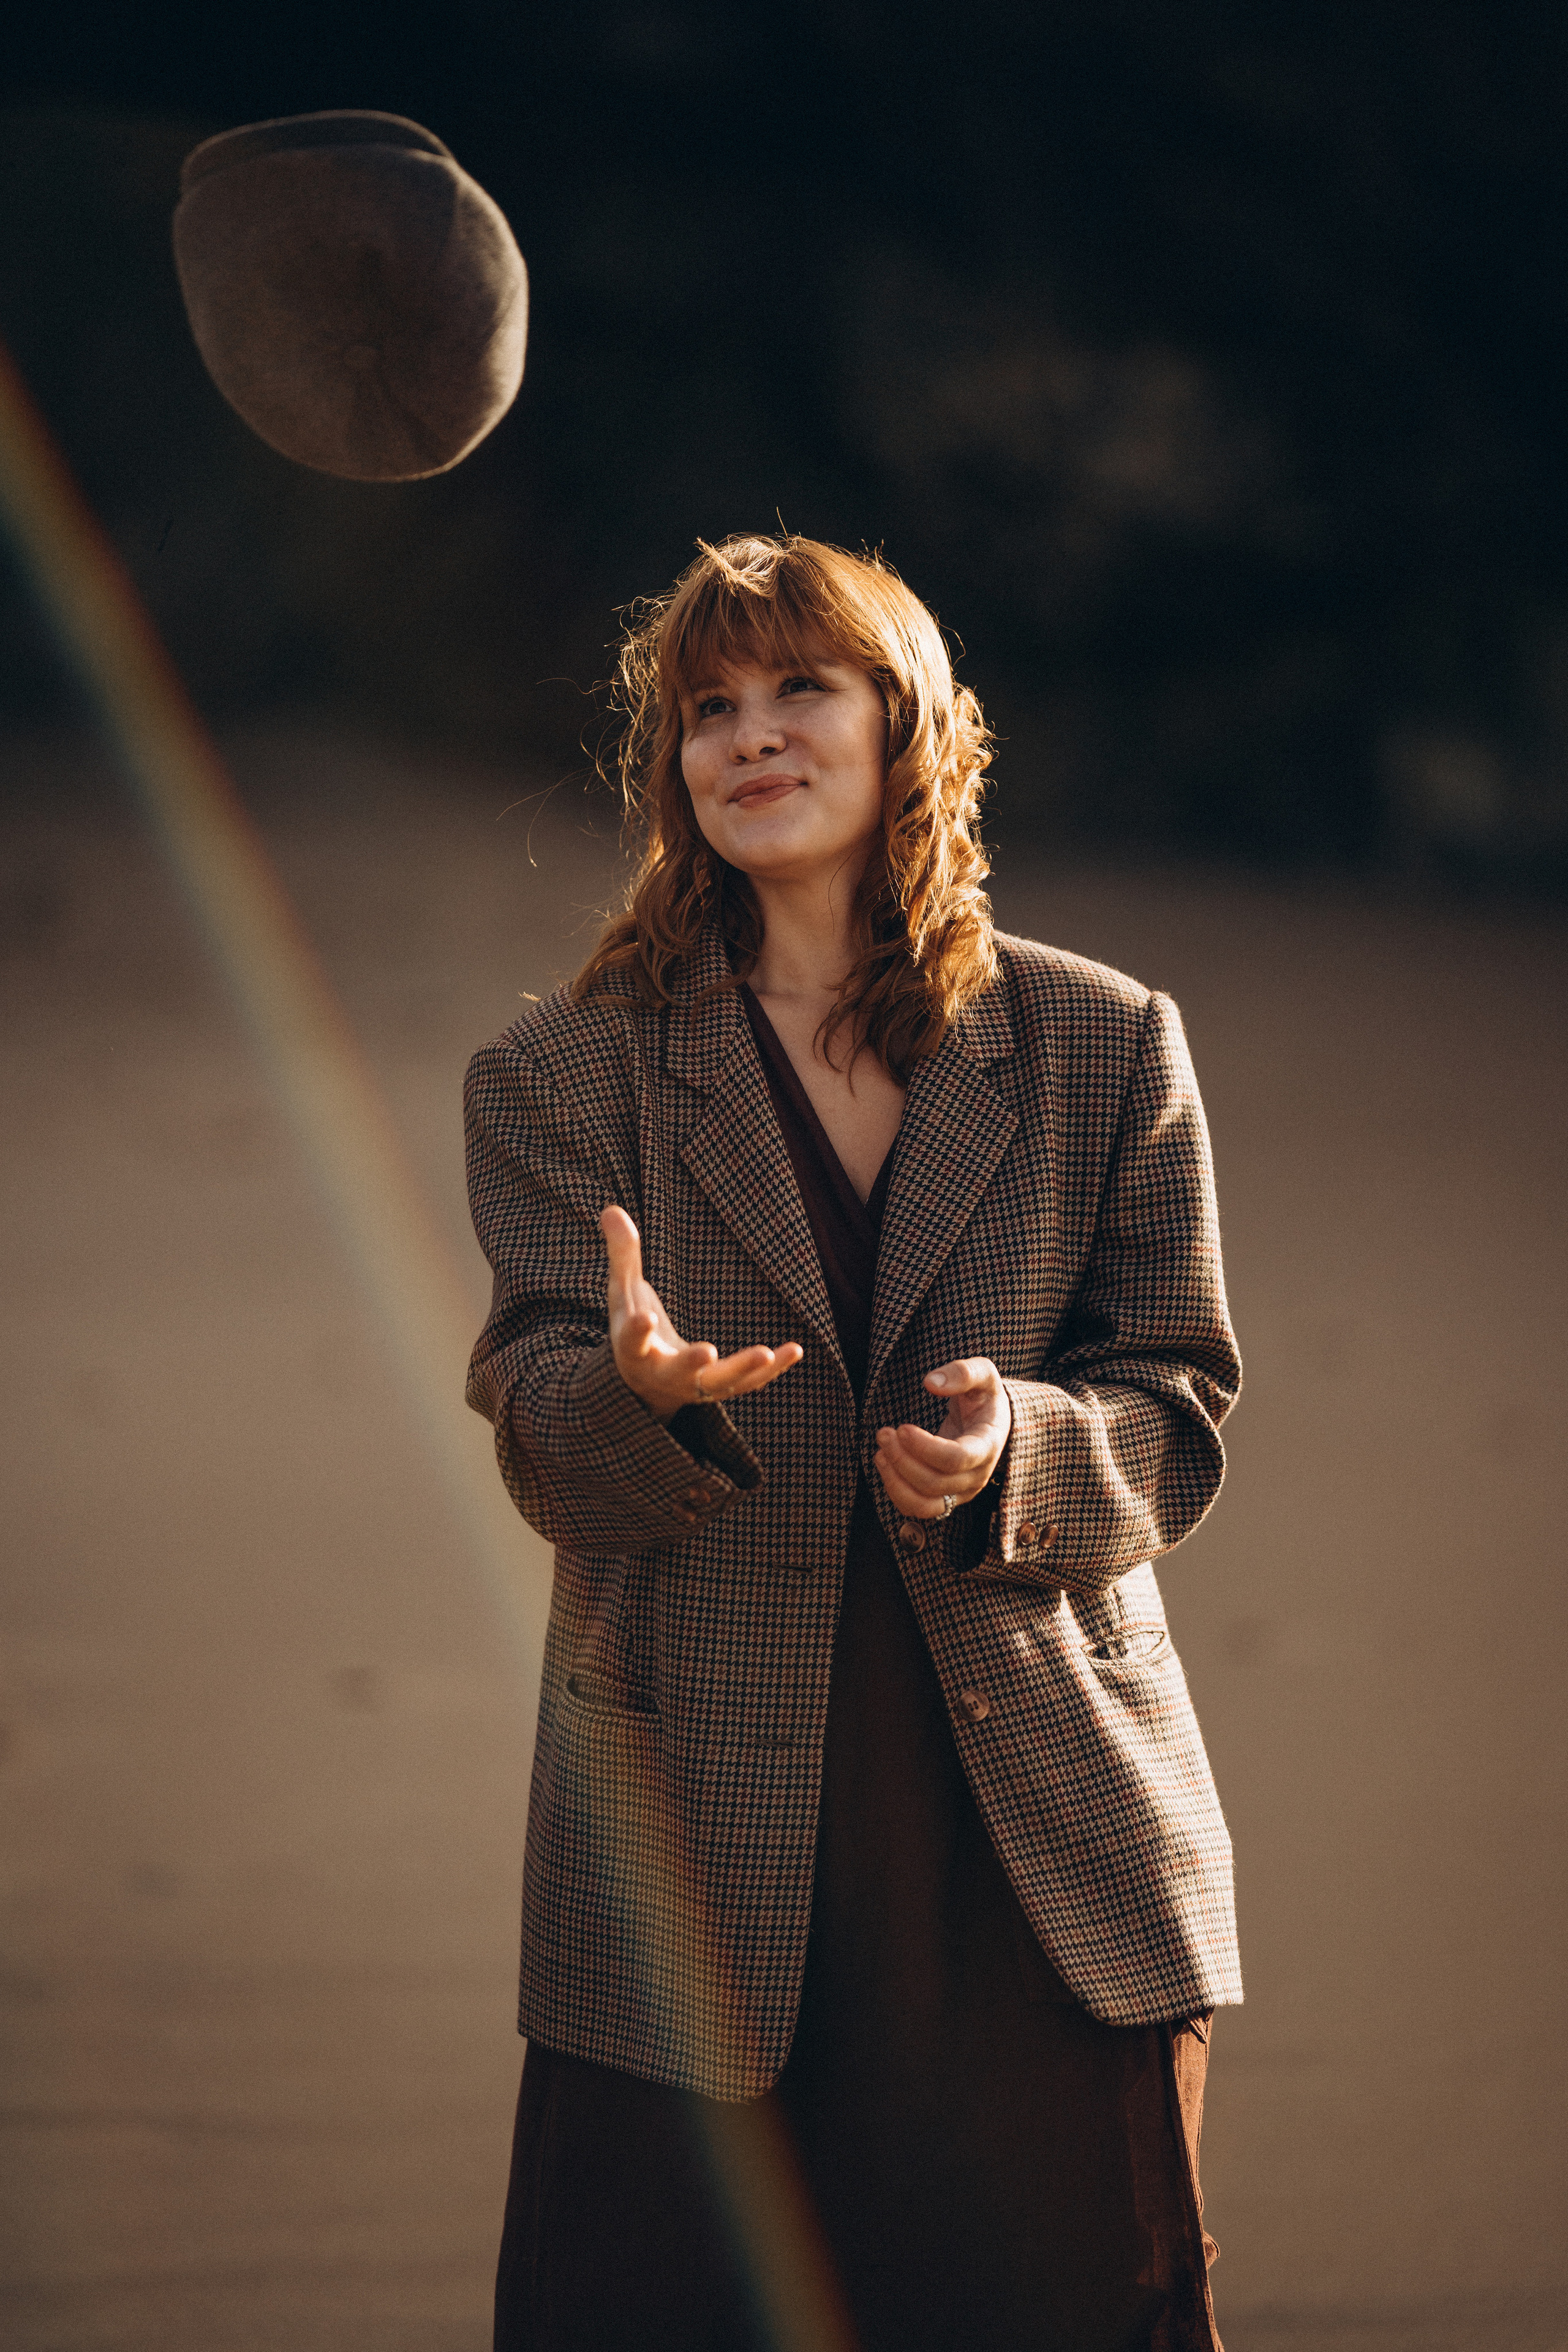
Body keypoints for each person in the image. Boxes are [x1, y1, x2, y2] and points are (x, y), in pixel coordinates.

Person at [464, 533, 1243, 2352]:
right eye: (707, 709)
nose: (750, 737)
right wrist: (628, 1401)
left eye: (801, 688)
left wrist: (1020, 1453)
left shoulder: (1101, 1043)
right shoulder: (559, 1074)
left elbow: (1179, 1406)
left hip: (1032, 1829)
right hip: (689, 1834)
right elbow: (539, 1442)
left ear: (910, 730)